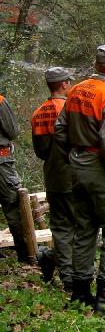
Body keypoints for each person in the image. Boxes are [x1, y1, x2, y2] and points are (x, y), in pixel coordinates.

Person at [55, 45, 105, 312]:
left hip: (78, 168)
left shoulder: (75, 90)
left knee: (84, 230)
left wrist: (73, 158)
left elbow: (60, 130)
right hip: (103, 171)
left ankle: (80, 292)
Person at [31, 67, 75, 290]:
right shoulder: (71, 109)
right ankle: (70, 278)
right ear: (64, 85)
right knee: (80, 228)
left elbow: (40, 152)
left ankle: (51, 258)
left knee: (60, 227)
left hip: (52, 176)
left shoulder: (38, 112)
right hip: (74, 177)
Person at [0, 93, 29, 263]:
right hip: (1, 161)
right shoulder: (0, 101)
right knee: (13, 206)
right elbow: (13, 130)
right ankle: (24, 255)